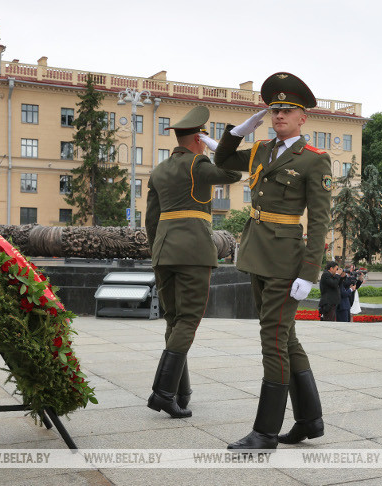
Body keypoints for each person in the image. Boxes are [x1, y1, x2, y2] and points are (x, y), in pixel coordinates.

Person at [214, 72, 331, 450]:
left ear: (303, 118)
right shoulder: (263, 149)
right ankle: (309, 421)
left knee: (272, 339)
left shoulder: (314, 160)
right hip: (257, 253)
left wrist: (310, 272)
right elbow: (224, 159)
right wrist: (240, 129)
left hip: (285, 262)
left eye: (287, 110)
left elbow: (320, 221)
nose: (279, 115)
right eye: (274, 109)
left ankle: (265, 431)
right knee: (287, 337)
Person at [144, 106, 242, 418]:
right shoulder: (198, 164)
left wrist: (157, 250)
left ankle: (179, 393)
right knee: (188, 320)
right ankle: (162, 392)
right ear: (199, 138)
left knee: (174, 321)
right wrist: (221, 145)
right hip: (193, 252)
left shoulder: (158, 171)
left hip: (163, 251)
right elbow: (233, 173)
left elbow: (151, 220)